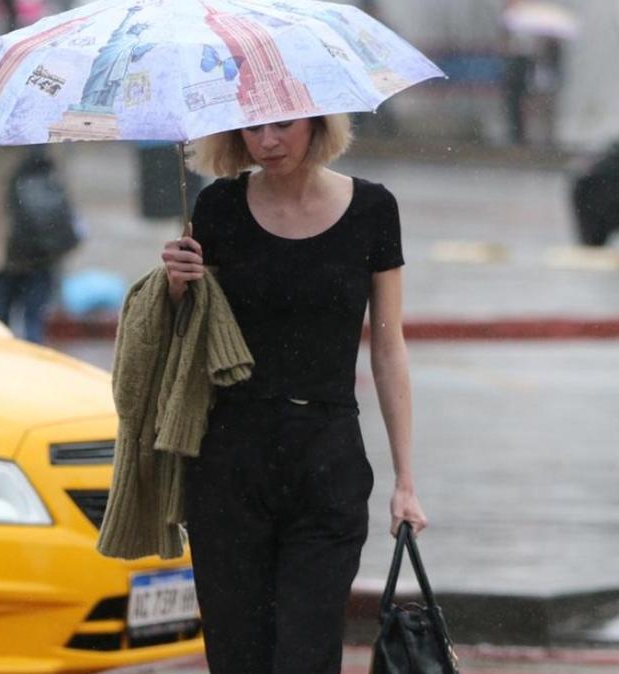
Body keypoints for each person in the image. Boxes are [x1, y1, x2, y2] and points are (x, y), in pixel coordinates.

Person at [160, 114, 428, 674]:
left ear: (318, 125)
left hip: (327, 461)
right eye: (252, 128)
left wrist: (406, 480)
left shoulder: (374, 210)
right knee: (238, 657)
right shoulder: (218, 208)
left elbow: (387, 348)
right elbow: (189, 339)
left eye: (282, 125)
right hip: (231, 460)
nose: (267, 142)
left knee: (306, 658)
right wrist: (178, 287)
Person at [0, 141, 78, 343]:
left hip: (1, 245)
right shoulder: (42, 137)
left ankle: (6, 366)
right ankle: (34, 365)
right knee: (34, 321)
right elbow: (58, 180)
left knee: (0, 323)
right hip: (39, 243)